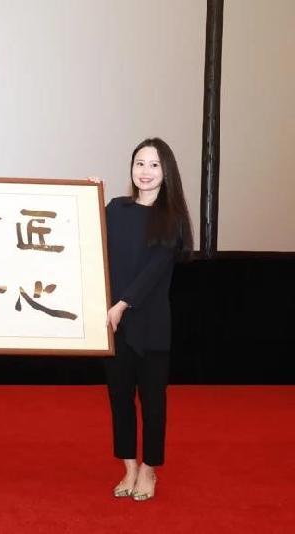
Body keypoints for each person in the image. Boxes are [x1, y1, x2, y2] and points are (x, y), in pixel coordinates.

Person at [103, 137, 192, 502]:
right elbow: (87, 235)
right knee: (120, 399)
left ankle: (149, 469)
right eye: (140, 163)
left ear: (166, 171)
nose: (145, 171)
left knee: (153, 403)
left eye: (154, 165)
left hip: (150, 325)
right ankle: (128, 467)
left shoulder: (171, 218)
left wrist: (123, 303)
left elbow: (154, 270)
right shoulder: (116, 208)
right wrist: (86, 197)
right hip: (115, 326)